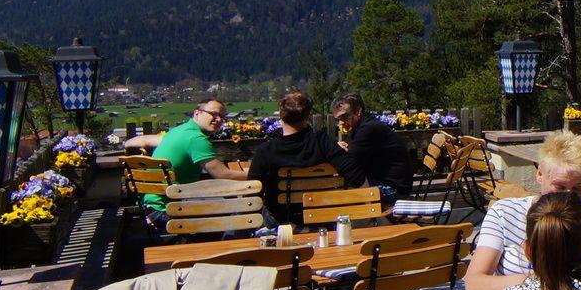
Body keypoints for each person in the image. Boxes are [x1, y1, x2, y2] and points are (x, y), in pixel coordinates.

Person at [463, 131, 581, 290]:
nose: (567, 196)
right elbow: (474, 287)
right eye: (559, 186)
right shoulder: (504, 214)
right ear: (539, 175)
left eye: (577, 189)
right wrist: (548, 282)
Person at [244, 90, 350, 225]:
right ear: (307, 116)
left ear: (281, 116)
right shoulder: (324, 143)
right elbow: (352, 171)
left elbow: (252, 193)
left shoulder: (265, 151)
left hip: (281, 221)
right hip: (321, 217)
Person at [139, 100, 245, 223]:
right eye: (213, 114)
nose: (218, 119)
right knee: (240, 207)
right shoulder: (196, 139)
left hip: (151, 205)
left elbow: (140, 140)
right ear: (197, 113)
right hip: (168, 209)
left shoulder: (179, 131)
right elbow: (224, 175)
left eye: (222, 116)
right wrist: (260, 173)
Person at [332, 95, 414, 202]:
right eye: (339, 119)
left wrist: (336, 149)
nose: (341, 122)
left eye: (345, 116)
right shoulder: (362, 126)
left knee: (338, 190)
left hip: (393, 190)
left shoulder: (368, 129)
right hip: (393, 185)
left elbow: (348, 163)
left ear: (358, 111)